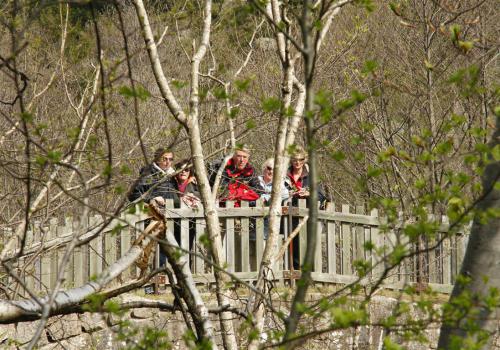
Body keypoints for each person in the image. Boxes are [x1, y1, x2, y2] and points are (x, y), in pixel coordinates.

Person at [284, 146, 326, 269]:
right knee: (290, 248)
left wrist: (309, 193)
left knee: (307, 247)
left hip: (306, 218)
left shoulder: (311, 176)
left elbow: (321, 196)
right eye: (295, 160)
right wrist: (288, 194)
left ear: (304, 160)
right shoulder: (283, 175)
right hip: (287, 218)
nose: (298, 163)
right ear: (291, 160)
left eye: (301, 159)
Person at [258, 158, 289, 240]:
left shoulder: (280, 183)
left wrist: (267, 197)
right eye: (269, 168)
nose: (271, 172)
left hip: (271, 227)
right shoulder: (256, 181)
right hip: (255, 224)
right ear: (264, 169)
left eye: (275, 169)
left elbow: (286, 194)